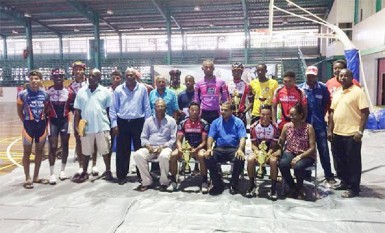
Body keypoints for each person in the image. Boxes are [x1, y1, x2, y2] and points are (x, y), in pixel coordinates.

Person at [327, 69, 369, 198]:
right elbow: (332, 112)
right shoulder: (338, 92)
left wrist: (360, 131)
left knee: (353, 162)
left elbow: (365, 112)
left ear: (351, 77)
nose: (343, 78)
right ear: (338, 77)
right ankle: (344, 182)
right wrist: (330, 130)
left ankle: (353, 188)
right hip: (337, 133)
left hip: (352, 134)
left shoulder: (358, 92)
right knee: (340, 161)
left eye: (346, 75)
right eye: (341, 76)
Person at [110, 68, 152, 185]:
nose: (129, 77)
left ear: (135, 76)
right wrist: (114, 124)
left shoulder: (142, 89)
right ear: (125, 77)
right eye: (127, 75)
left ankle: (141, 175)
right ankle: (122, 175)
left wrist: (148, 124)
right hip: (122, 123)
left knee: (140, 150)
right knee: (122, 150)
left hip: (138, 123)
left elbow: (146, 107)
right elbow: (113, 108)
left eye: (132, 75)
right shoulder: (118, 90)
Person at [73, 69, 113, 183]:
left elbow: (109, 110)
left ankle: (108, 170)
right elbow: (77, 111)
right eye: (89, 76)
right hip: (86, 127)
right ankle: (85, 172)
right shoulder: (81, 92)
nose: (91, 78)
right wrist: (76, 127)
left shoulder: (105, 91)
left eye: (94, 76)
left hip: (102, 125)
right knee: (86, 151)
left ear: (99, 78)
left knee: (105, 150)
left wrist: (111, 125)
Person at [299, 66, 335, 184]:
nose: (310, 78)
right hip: (305, 125)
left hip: (319, 125)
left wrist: (322, 118)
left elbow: (327, 105)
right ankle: (306, 174)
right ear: (305, 75)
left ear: (316, 76)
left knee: (323, 150)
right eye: (308, 75)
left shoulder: (323, 89)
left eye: (313, 76)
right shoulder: (300, 89)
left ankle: (329, 175)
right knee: (305, 149)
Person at [132, 98, 177, 191]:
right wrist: (148, 146)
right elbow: (143, 138)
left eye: (162, 106)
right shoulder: (148, 121)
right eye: (158, 106)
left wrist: (163, 147)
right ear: (154, 108)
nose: (160, 108)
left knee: (164, 156)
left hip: (165, 147)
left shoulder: (171, 121)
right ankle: (147, 181)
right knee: (137, 155)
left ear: (166, 108)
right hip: (150, 147)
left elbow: (173, 139)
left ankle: (164, 182)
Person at [204, 101, 247, 195]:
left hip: (233, 149)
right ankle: (217, 183)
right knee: (208, 157)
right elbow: (210, 137)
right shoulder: (216, 122)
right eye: (222, 110)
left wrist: (240, 149)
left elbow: (242, 138)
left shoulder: (238, 122)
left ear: (231, 111)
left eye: (225, 110)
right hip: (219, 149)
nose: (223, 112)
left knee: (239, 158)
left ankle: (233, 183)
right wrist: (209, 149)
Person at [17, 70, 49, 189]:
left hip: (41, 126)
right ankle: (27, 178)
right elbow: (19, 111)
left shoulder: (45, 94)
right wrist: (26, 121)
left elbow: (46, 109)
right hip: (28, 126)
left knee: (39, 152)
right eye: (31, 79)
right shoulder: (22, 94)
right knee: (27, 152)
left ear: (40, 80)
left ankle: (36, 176)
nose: (33, 81)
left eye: (36, 79)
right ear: (28, 80)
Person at [168, 102, 209, 193]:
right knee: (173, 154)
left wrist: (196, 149)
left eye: (196, 110)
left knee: (202, 156)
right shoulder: (183, 123)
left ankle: (204, 181)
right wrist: (179, 148)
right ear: (188, 111)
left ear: (199, 112)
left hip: (199, 148)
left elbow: (204, 142)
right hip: (187, 148)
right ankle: (173, 180)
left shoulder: (204, 123)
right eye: (192, 110)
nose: (194, 112)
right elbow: (179, 140)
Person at [278, 104, 316, 199]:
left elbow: (312, 148)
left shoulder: (309, 127)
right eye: (290, 115)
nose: (291, 117)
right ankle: (294, 187)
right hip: (291, 151)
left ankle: (299, 187)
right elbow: (281, 141)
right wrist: (278, 145)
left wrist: (300, 157)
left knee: (298, 166)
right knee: (282, 164)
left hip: (306, 154)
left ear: (301, 115)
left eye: (294, 115)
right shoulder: (287, 126)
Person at [69, 61, 99, 178]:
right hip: (79, 116)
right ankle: (81, 166)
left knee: (94, 139)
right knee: (79, 140)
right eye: (75, 69)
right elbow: (71, 104)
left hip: (91, 115)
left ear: (84, 70)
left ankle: (94, 164)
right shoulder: (71, 87)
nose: (78, 71)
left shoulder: (90, 82)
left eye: (80, 69)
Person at [46, 68, 74, 184]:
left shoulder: (69, 92)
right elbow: (44, 107)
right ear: (52, 78)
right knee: (52, 146)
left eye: (61, 76)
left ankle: (62, 171)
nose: (58, 79)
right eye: (56, 77)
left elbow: (73, 108)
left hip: (65, 121)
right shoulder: (47, 91)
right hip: (52, 121)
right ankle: (52, 173)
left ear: (64, 78)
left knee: (65, 145)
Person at [247, 105, 280, 199]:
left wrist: (268, 154)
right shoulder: (253, 127)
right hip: (258, 151)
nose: (265, 117)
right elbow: (253, 144)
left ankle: (273, 188)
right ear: (259, 114)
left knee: (273, 161)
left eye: (268, 115)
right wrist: (257, 152)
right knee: (250, 159)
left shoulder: (275, 127)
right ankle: (252, 185)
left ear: (270, 115)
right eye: (263, 114)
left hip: (270, 151)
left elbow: (274, 146)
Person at [194, 59, 230, 124]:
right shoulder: (198, 83)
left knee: (216, 133)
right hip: (203, 113)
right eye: (206, 67)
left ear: (213, 68)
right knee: (204, 133)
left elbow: (225, 100)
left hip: (216, 113)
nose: (208, 69)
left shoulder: (221, 82)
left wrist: (225, 113)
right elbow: (196, 101)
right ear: (202, 68)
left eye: (210, 67)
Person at [227, 62, 251, 128]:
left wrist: (244, 112)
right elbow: (222, 101)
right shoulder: (227, 85)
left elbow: (252, 102)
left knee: (241, 136)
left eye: (238, 71)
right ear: (232, 72)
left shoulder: (246, 86)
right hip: (229, 114)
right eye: (234, 71)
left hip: (241, 115)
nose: (236, 73)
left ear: (242, 72)